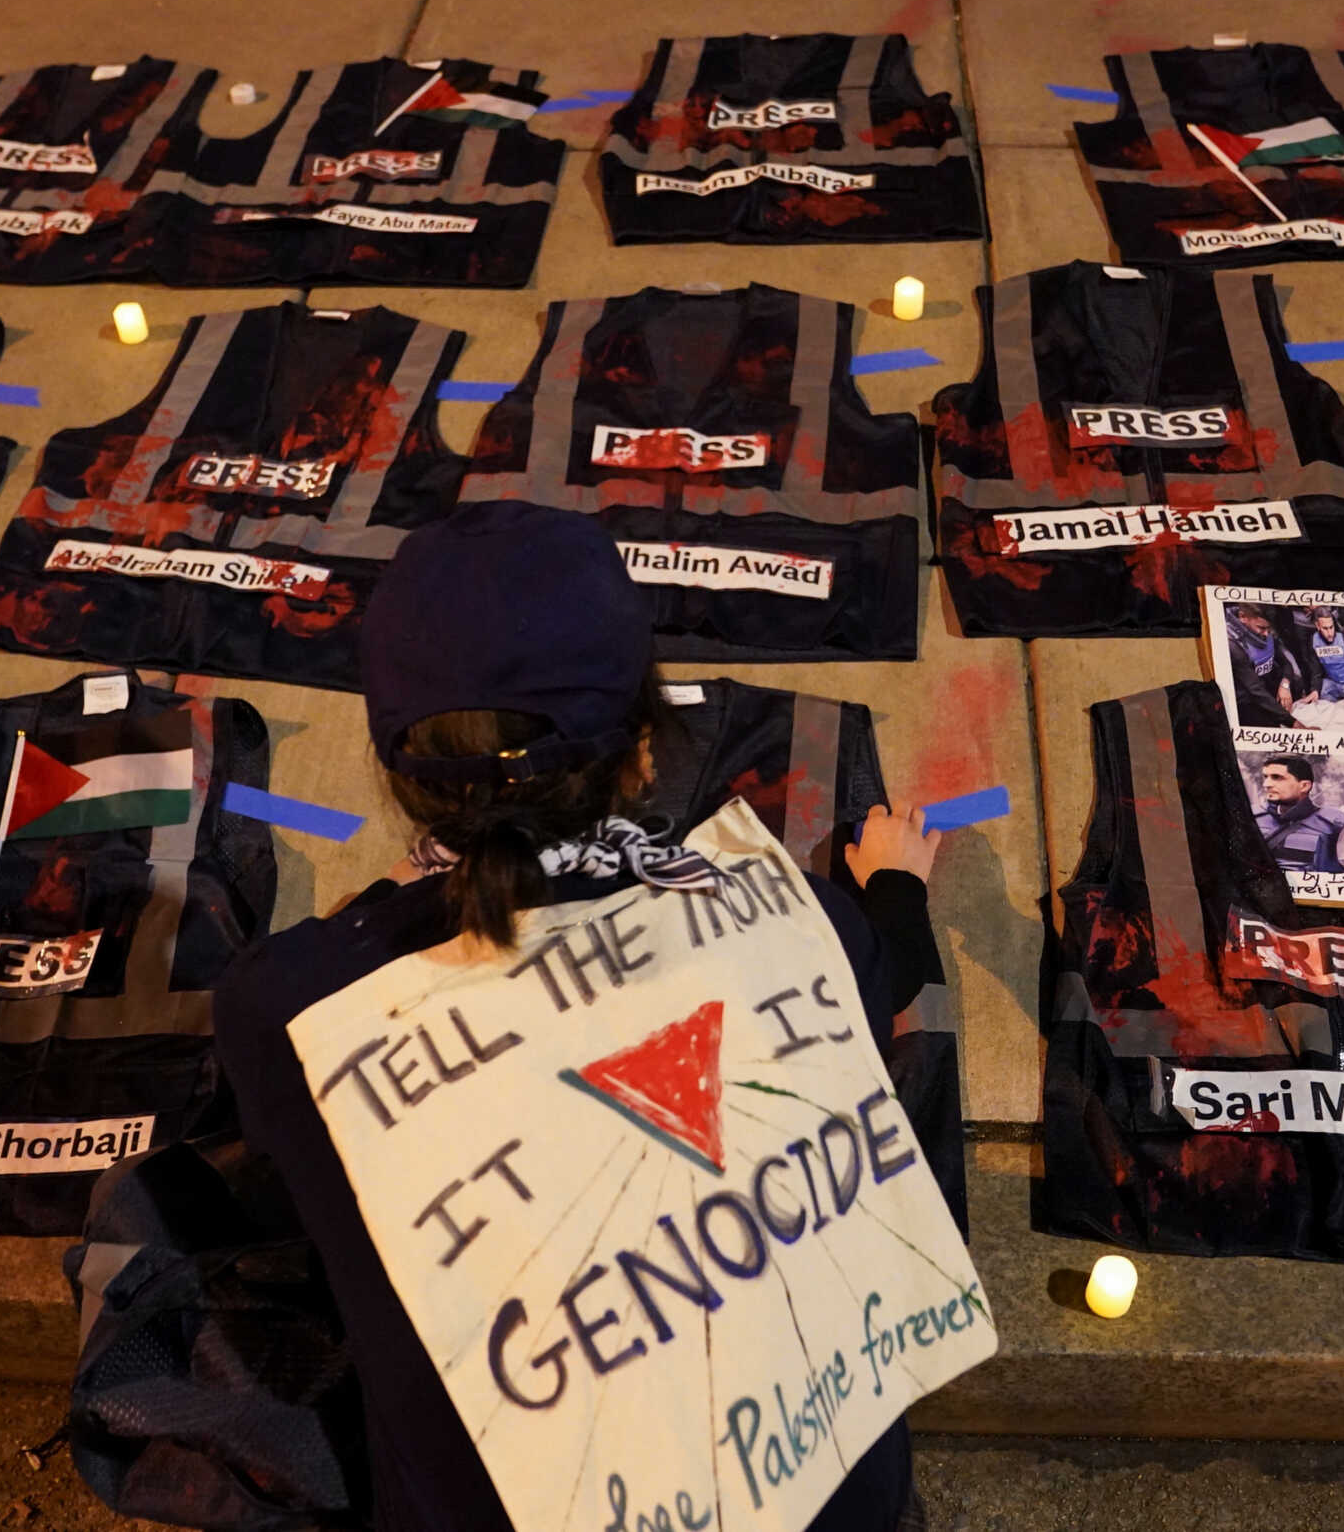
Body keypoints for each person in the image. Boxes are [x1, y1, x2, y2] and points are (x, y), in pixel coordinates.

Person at [213, 503, 942, 1532]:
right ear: (644, 753)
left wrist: (367, 922)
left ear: (401, 777)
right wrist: (894, 889)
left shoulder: (288, 1005)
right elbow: (893, 965)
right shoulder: (803, 922)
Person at [1254, 754, 1344, 874]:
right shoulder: (1252, 818)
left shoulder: (1337, 826)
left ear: (1304, 786)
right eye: (1265, 777)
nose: (1266, 784)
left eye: (1277, 777)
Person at [1225, 604, 1308, 725]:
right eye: (1261, 628)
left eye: (1268, 629)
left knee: (1297, 683)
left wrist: (1285, 685)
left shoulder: (1266, 633)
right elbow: (1255, 689)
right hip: (1249, 697)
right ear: (1243, 617)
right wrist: (1293, 723)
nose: (1266, 634)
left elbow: (1285, 663)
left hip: (1267, 685)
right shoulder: (1233, 645)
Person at [1307, 608, 1344, 705]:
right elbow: (1316, 671)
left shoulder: (1342, 640)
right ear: (1317, 626)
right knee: (1319, 704)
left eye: (1331, 627)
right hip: (1331, 682)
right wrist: (1315, 689)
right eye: (1325, 628)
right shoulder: (1314, 641)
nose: (1330, 633)